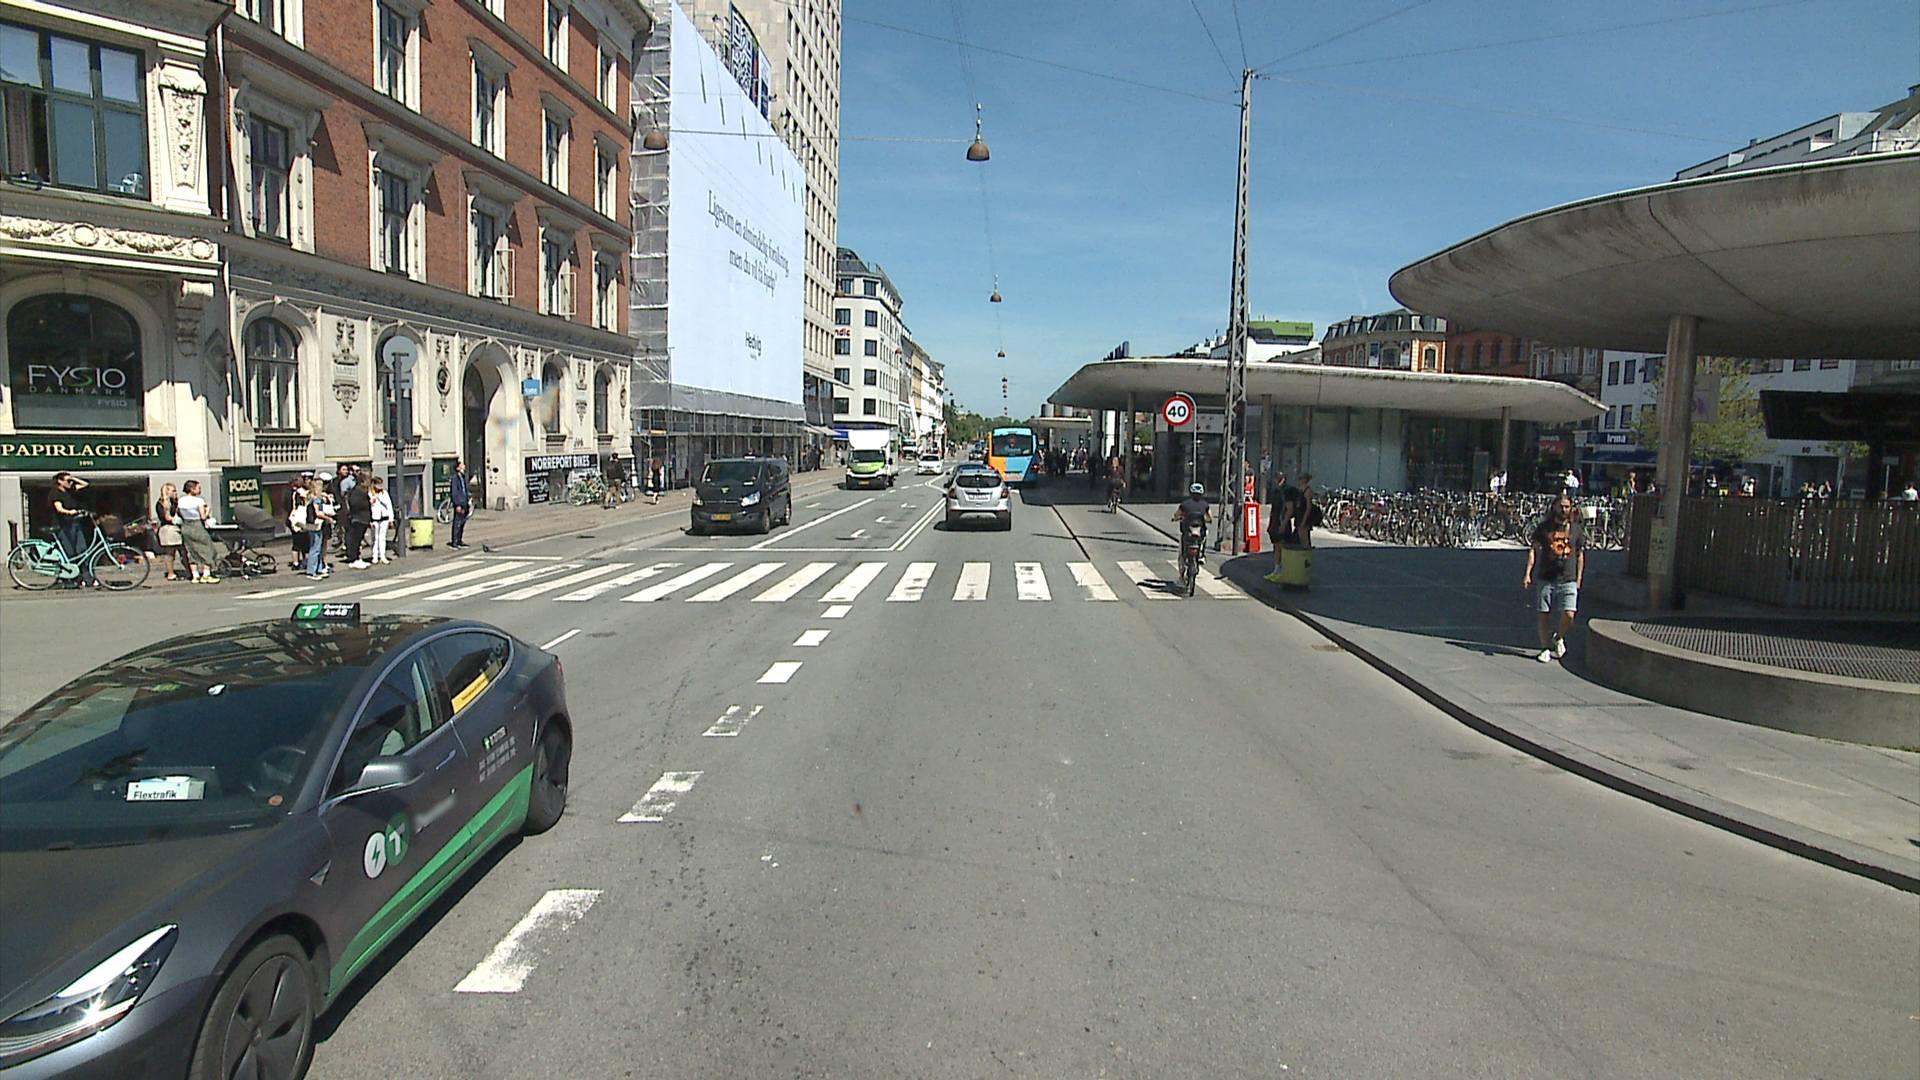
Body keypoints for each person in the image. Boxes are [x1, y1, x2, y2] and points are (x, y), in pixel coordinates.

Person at [1523, 494, 1585, 664]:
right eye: (1561, 506)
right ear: (1554, 507)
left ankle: (1558, 637)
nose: (1564, 510)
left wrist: (1579, 578)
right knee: (1544, 614)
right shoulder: (1544, 528)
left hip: (1568, 578)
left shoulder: (1576, 530)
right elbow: (1534, 550)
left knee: (1569, 614)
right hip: (1546, 577)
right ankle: (1545, 648)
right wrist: (1528, 573)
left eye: (1567, 506)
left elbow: (1580, 555)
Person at [46, 472, 94, 588]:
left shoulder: (70, 490)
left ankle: (87, 578)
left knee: (82, 550)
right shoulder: (55, 493)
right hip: (63, 526)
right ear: (60, 481)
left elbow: (86, 484)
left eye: (71, 481)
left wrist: (73, 478)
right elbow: (59, 508)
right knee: (70, 553)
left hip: (75, 524)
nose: (71, 483)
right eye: (68, 481)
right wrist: (69, 512)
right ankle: (69, 579)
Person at [177, 479, 221, 584]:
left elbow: (179, 513)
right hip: (197, 525)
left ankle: (195, 576)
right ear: (192, 489)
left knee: (192, 551)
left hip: (186, 526)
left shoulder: (181, 500)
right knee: (207, 549)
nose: (200, 490)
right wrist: (208, 510)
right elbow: (203, 516)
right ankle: (206, 574)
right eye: (198, 488)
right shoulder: (199, 501)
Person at [153, 482, 188, 581]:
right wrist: (174, 518)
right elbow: (166, 517)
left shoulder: (175, 502)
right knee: (170, 553)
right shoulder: (162, 503)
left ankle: (189, 571)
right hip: (168, 529)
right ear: (167, 491)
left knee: (183, 551)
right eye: (173, 491)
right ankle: (170, 573)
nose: (175, 493)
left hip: (177, 528)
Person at [342, 473, 373, 568]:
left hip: (363, 518)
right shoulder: (357, 491)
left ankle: (357, 557)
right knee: (355, 540)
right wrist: (367, 502)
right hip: (358, 518)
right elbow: (355, 504)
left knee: (358, 540)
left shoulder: (362, 491)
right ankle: (354, 559)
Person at [369, 477, 396, 564]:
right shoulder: (370, 493)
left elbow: (389, 505)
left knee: (383, 537)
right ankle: (375, 556)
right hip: (374, 518)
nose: (380, 486)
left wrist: (391, 518)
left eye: (381, 484)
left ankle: (383, 556)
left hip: (384, 518)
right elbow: (368, 507)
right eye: (378, 484)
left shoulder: (384, 493)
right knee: (375, 538)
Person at [449, 460, 472, 548]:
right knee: (457, 523)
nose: (464, 466)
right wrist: (457, 504)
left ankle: (459, 540)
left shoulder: (463, 477)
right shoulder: (455, 478)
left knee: (462, 523)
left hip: (465, 502)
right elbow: (454, 492)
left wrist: (468, 498)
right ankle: (454, 541)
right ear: (458, 468)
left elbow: (465, 489)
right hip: (459, 503)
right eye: (462, 465)